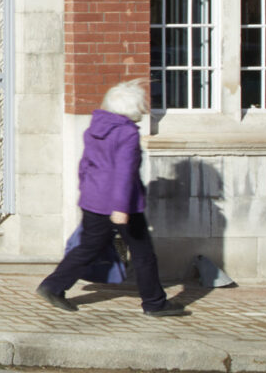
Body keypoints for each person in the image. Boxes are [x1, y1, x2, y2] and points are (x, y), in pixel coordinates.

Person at [37, 79, 180, 316]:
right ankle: (155, 303)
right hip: (122, 203)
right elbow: (124, 173)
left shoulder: (95, 128)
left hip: (94, 199)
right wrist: (120, 207)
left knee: (88, 247)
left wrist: (87, 191)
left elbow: (85, 165)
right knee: (143, 254)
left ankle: (53, 285)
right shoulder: (127, 133)